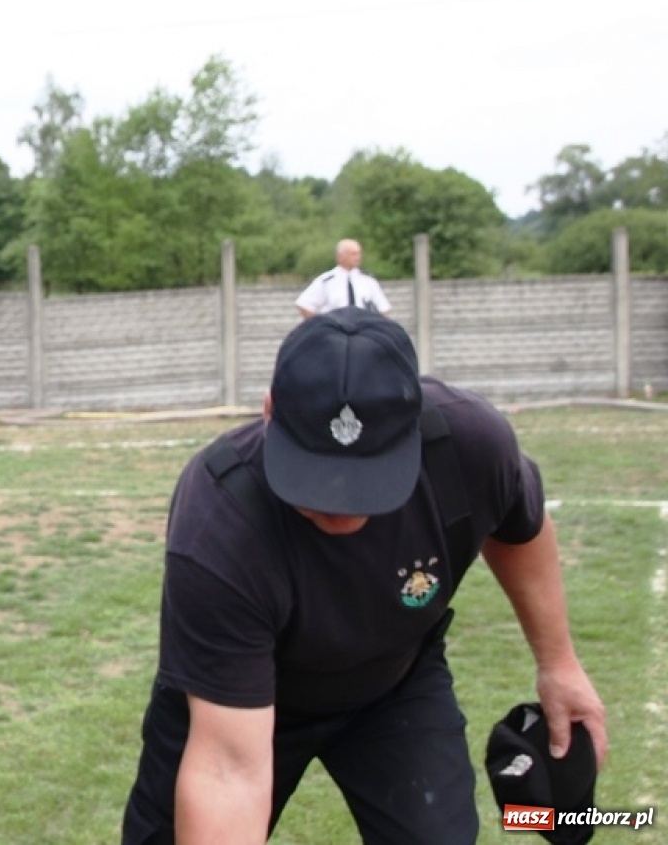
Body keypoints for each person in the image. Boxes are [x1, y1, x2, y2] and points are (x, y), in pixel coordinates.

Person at [121, 307, 607, 845]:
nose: (343, 508)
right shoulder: (221, 518)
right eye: (317, 474)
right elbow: (229, 769)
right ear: (269, 412)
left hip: (391, 685)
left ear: (413, 428)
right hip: (241, 696)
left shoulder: (470, 442)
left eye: (368, 480)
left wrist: (559, 663)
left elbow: (521, 524)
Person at [295, 238, 391, 318]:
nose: (358, 257)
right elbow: (304, 304)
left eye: (359, 253)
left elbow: (384, 308)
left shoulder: (368, 281)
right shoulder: (326, 281)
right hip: (335, 332)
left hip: (362, 332)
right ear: (341, 256)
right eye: (353, 254)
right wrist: (320, 327)